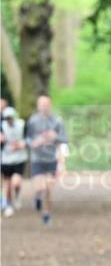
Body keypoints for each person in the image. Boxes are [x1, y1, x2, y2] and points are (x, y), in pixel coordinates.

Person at [25, 95, 69, 225]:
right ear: (38, 106)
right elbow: (27, 138)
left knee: (49, 188)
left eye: (46, 104)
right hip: (37, 159)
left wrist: (55, 137)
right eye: (41, 104)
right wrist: (33, 143)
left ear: (50, 105)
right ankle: (38, 197)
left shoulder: (57, 121)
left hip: (51, 159)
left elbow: (64, 140)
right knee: (40, 187)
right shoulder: (32, 121)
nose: (44, 107)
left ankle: (47, 214)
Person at [1, 106, 27, 216]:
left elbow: (29, 137)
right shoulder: (2, 126)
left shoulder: (22, 125)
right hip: (6, 159)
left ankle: (17, 194)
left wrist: (23, 143)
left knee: (15, 182)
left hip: (19, 158)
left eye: (10, 118)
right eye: (7, 118)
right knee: (7, 183)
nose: (9, 120)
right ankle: (8, 204)